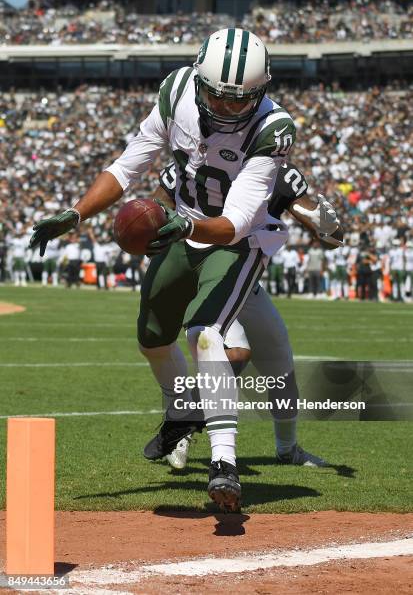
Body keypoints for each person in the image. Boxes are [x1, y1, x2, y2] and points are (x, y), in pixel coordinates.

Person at [30, 28, 341, 512]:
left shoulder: (272, 128)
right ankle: (182, 411)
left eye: (241, 100)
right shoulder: (176, 91)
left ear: (261, 93)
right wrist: (76, 213)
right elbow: (130, 162)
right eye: (217, 95)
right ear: (198, 79)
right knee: (151, 339)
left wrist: (186, 223)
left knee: (208, 334)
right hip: (185, 230)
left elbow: (236, 222)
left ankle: (224, 462)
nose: (229, 108)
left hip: (237, 241)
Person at [154, 160, 343, 472]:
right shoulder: (196, 158)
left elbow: (331, 236)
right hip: (203, 276)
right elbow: (159, 200)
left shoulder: (277, 171)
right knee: (236, 354)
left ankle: (288, 448)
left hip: (246, 280)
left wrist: (327, 223)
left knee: (281, 363)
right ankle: (182, 424)